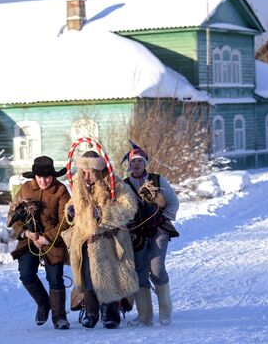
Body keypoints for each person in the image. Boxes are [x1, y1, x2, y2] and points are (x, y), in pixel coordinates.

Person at [62, 150, 139, 329]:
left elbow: (129, 207)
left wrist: (103, 214)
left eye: (89, 171)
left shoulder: (113, 183)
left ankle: (111, 312)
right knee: (87, 275)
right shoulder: (78, 184)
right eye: (83, 171)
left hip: (108, 238)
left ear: (97, 169)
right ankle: (91, 311)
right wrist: (70, 211)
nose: (86, 175)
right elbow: (72, 203)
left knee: (109, 275)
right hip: (84, 238)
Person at [7, 156, 71, 330]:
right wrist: (26, 232)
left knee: (55, 278)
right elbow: (12, 216)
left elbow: (65, 221)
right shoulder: (25, 189)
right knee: (26, 274)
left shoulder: (60, 191)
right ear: (34, 176)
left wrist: (47, 238)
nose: (43, 181)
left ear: (53, 176)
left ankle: (59, 317)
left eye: (48, 177)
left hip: (52, 239)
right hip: (29, 239)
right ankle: (43, 304)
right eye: (40, 177)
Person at [121, 141, 180, 326]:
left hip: (159, 231)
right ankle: (145, 316)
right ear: (129, 164)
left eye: (139, 161)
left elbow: (173, 203)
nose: (136, 164)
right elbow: (121, 210)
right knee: (139, 272)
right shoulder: (124, 186)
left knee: (157, 269)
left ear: (145, 162)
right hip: (137, 234)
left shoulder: (157, 180)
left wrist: (163, 220)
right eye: (133, 161)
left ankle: (165, 312)